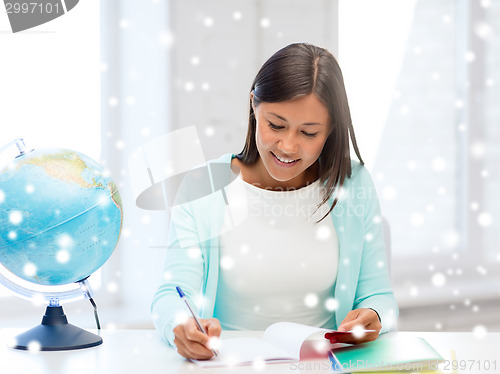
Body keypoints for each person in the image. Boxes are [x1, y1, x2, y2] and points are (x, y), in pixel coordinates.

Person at [151, 42, 399, 360]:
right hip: (230, 365)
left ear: (331, 129)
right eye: (276, 125)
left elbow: (380, 296)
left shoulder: (353, 184)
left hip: (322, 364)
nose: (288, 146)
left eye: (309, 133)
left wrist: (374, 315)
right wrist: (180, 324)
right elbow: (170, 293)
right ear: (254, 106)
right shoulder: (205, 186)